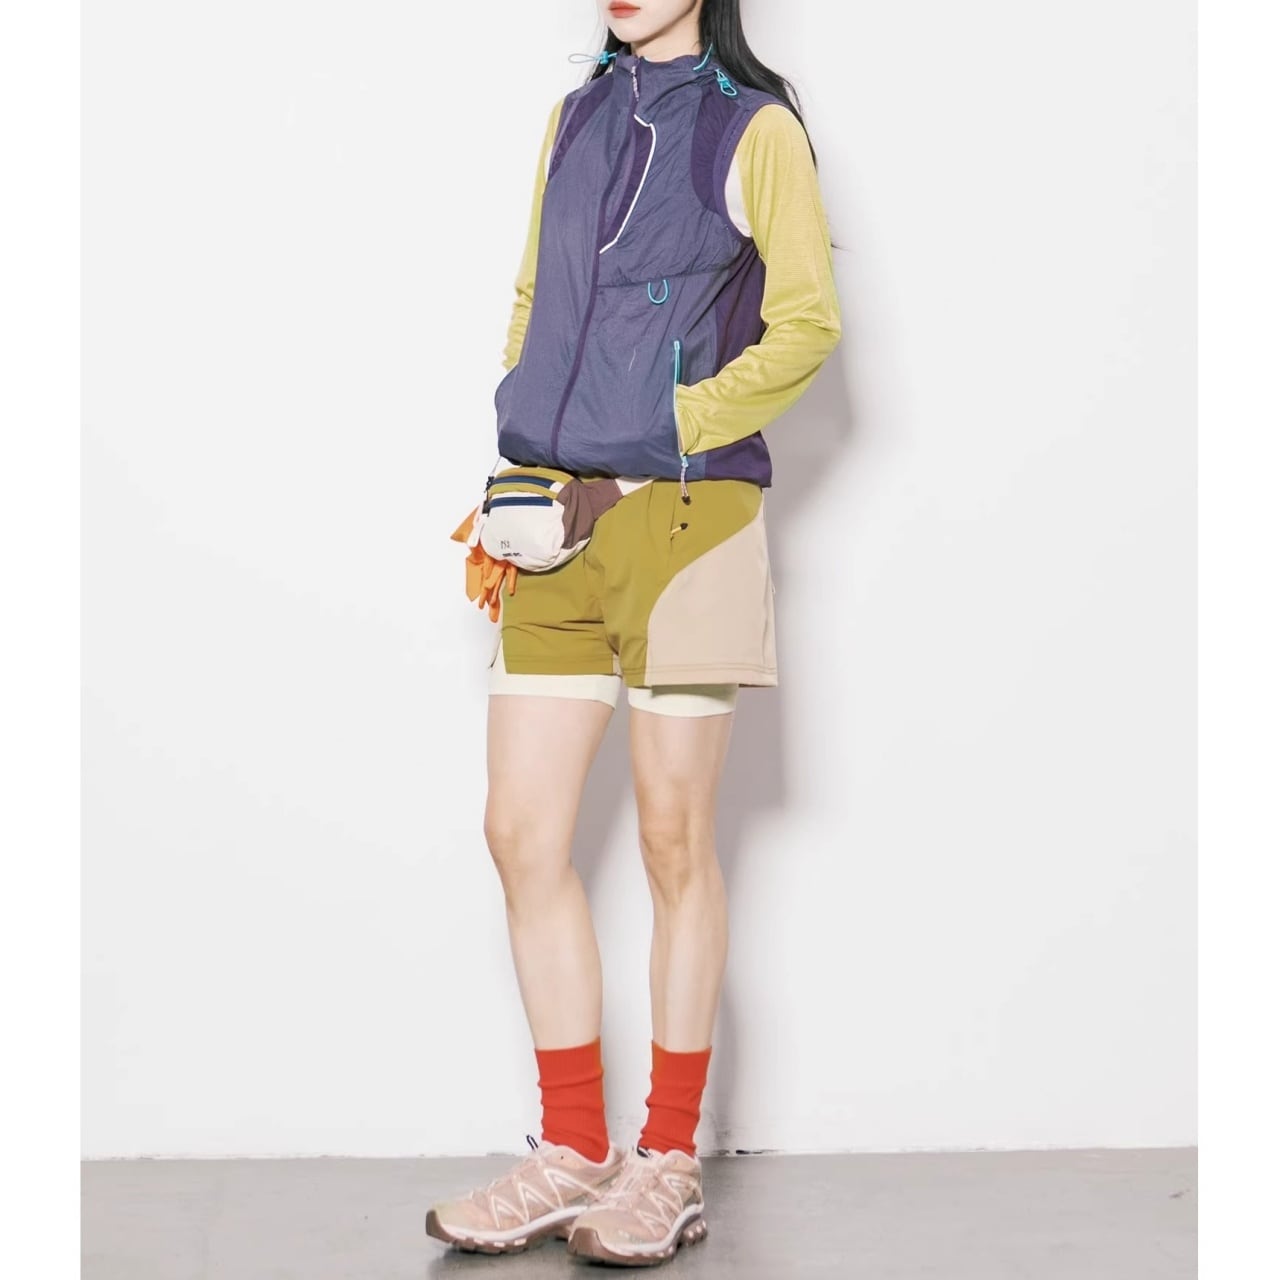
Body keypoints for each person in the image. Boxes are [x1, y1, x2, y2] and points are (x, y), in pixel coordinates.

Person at [426, 0, 841, 1266]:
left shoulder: (753, 128)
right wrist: (524, 433)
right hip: (551, 518)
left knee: (670, 837)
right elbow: (533, 297)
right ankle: (570, 1149)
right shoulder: (575, 118)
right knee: (519, 830)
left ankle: (666, 1162)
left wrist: (670, 423)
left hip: (686, 519)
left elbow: (807, 324)